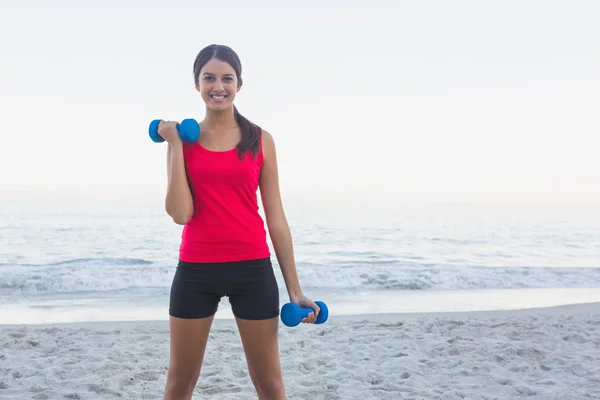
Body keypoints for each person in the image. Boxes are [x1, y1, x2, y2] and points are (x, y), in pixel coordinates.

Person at [158, 44, 320, 400]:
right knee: (180, 381)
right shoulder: (184, 141)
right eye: (209, 78)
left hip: (252, 270)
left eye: (227, 78)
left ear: (239, 85)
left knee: (269, 383)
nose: (219, 86)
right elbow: (180, 214)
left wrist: (294, 289)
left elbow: (276, 217)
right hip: (196, 270)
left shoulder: (261, 141)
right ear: (197, 84)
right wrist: (173, 147)